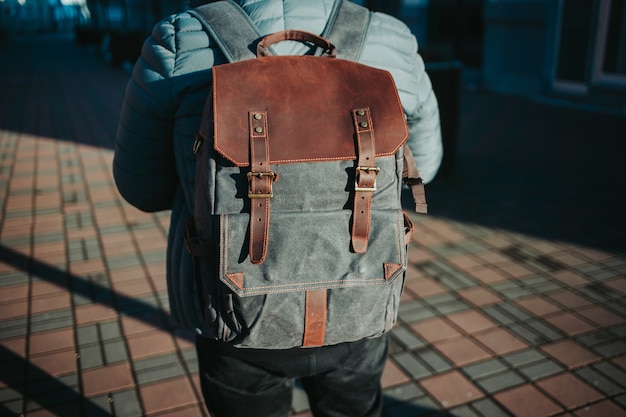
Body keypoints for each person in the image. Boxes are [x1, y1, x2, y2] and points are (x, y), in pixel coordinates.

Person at [113, 0, 443, 416]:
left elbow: (141, 189)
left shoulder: (180, 38)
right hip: (362, 296)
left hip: (232, 308)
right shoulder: (390, 36)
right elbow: (424, 166)